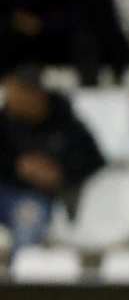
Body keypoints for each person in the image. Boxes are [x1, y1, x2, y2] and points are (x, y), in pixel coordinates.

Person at [0, 63, 103, 247]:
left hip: (38, 199)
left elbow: (94, 160)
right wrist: (18, 165)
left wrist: (59, 174)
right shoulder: (5, 119)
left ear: (35, 95)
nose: (9, 100)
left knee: (28, 218)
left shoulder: (65, 122)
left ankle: (24, 272)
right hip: (5, 190)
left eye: (16, 94)